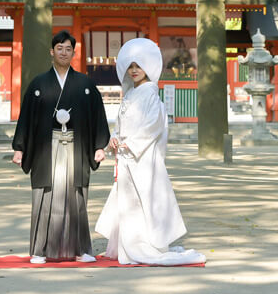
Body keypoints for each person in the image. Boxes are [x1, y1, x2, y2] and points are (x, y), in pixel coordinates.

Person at [95, 37, 205, 266]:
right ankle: (128, 244)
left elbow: (153, 126)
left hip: (142, 156)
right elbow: (120, 124)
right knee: (127, 202)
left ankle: (143, 244)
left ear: (148, 67)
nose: (134, 71)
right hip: (127, 156)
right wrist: (115, 137)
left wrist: (131, 143)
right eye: (131, 66)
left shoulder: (150, 94)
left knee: (143, 200)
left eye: (139, 66)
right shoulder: (130, 93)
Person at [12, 30, 110, 264]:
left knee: (77, 197)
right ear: (51, 51)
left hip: (76, 146)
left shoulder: (85, 84)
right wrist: (19, 147)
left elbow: (98, 116)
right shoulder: (38, 84)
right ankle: (39, 250)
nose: (64, 53)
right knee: (45, 196)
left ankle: (81, 249)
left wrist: (99, 146)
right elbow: (26, 118)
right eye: (59, 48)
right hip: (47, 148)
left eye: (68, 49)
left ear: (73, 53)